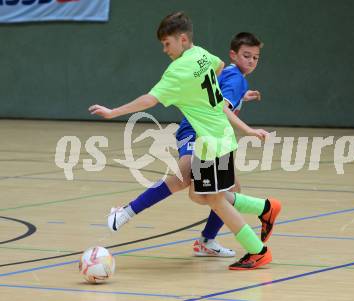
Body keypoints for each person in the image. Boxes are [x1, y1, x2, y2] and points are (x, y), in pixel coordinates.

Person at [89, 11, 281, 270]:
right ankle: (264, 209)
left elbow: (149, 100)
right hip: (219, 136)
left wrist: (113, 112)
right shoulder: (202, 54)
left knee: (213, 199)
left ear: (181, 39)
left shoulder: (177, 71)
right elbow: (219, 67)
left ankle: (257, 248)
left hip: (211, 141)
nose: (165, 50)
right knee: (201, 195)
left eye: (167, 44)